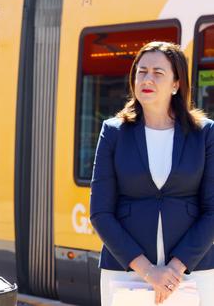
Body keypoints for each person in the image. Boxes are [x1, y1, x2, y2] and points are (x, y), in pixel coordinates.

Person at [90, 42, 214, 305]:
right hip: (126, 272)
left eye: (158, 73)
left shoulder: (204, 134)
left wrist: (174, 270)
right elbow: (100, 212)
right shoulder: (113, 132)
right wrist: (149, 271)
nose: (147, 79)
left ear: (176, 84)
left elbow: (212, 210)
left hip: (192, 273)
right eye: (141, 71)